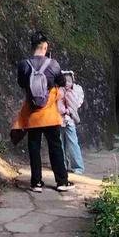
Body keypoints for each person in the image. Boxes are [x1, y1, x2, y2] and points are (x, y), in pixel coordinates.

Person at [12, 34, 70, 192]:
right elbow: (62, 83)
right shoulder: (53, 64)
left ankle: (36, 183)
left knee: (34, 147)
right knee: (55, 147)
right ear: (45, 47)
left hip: (32, 114)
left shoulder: (24, 65)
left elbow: (21, 84)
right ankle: (61, 182)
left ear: (32, 47)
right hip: (50, 114)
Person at [60, 69, 85, 174]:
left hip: (70, 120)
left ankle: (78, 167)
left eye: (69, 81)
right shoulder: (58, 90)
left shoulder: (76, 91)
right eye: (65, 81)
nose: (67, 83)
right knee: (60, 143)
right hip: (58, 120)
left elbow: (77, 103)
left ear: (73, 81)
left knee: (73, 143)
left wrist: (68, 110)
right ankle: (61, 165)